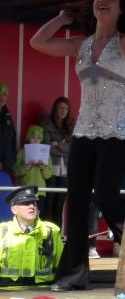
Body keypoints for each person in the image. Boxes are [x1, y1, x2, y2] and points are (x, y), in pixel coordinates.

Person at [30, 0, 125, 291]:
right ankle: (73, 275)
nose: (102, 1)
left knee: (105, 194)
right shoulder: (81, 45)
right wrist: (62, 18)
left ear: (119, 6)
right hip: (84, 131)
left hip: (117, 132)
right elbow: (37, 42)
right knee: (76, 201)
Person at [0, 186, 63, 286]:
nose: (31, 206)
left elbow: (60, 265)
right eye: (25, 203)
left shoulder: (51, 231)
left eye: (33, 203)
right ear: (14, 209)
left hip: (43, 288)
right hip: (7, 288)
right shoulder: (2, 231)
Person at [39, 97, 74, 228]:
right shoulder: (46, 123)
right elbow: (46, 146)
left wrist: (58, 144)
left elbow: (72, 148)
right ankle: (45, 239)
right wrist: (62, 146)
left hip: (65, 172)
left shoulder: (71, 126)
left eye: (66, 109)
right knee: (48, 205)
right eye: (60, 108)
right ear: (55, 109)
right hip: (50, 169)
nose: (63, 111)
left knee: (59, 207)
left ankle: (56, 238)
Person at [13, 125, 53, 216]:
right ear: (28, 138)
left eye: (39, 138)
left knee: (38, 215)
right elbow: (15, 171)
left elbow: (49, 175)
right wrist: (26, 167)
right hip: (25, 189)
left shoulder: (46, 154)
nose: (36, 140)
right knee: (25, 214)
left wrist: (43, 168)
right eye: (33, 137)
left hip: (40, 191)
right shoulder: (21, 152)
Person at [0, 81, 17, 177]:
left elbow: (12, 139)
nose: (2, 97)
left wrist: (12, 160)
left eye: (5, 95)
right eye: (0, 94)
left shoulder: (7, 115)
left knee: (5, 192)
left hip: (7, 165)